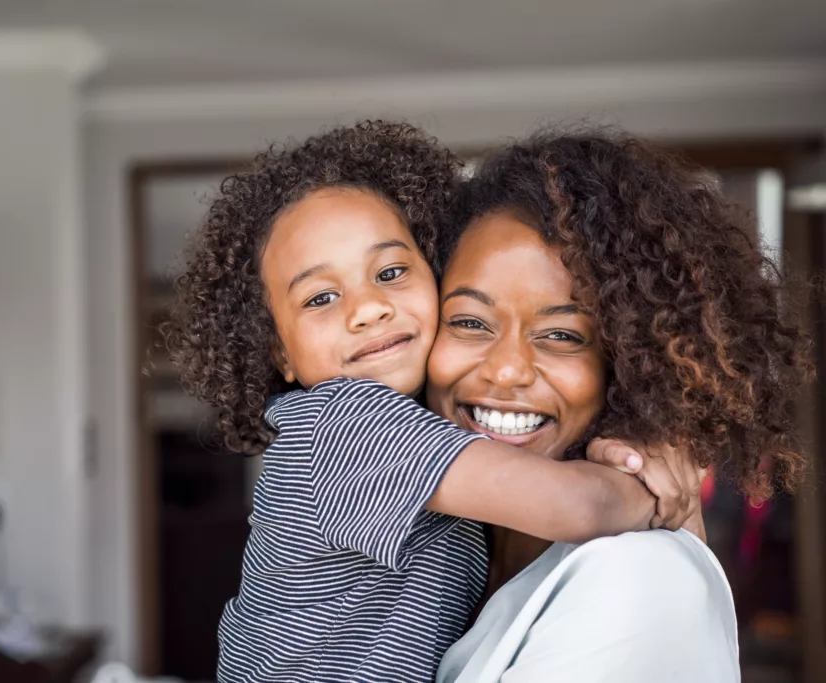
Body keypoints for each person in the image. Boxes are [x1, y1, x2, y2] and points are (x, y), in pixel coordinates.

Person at [162, 121, 702, 683]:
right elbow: (584, 509)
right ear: (282, 355)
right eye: (320, 297)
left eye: (391, 272)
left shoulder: (434, 440)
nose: (367, 309)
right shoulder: (343, 423)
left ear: (433, 274)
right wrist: (655, 484)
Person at [431, 131, 813, 683]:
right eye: (469, 322)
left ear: (632, 365)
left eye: (561, 335)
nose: (507, 370)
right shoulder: (440, 563)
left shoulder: (641, 575)